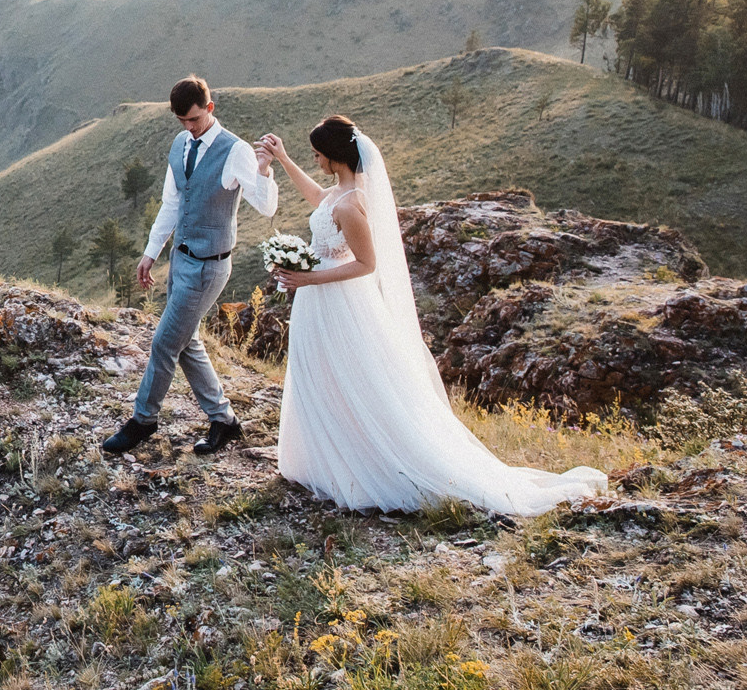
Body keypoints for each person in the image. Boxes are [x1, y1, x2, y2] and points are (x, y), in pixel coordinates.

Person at [258, 116, 607, 514]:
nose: (316, 160)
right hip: (318, 300)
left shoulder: (353, 204)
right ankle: (324, 459)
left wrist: (309, 278)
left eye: (318, 155)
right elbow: (318, 196)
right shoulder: (338, 191)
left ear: (335, 157)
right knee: (321, 376)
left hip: (336, 299)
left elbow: (366, 264)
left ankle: (362, 463)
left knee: (350, 377)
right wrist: (283, 160)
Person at [101, 75, 278, 458]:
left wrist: (264, 169)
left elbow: (266, 207)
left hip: (209, 266)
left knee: (165, 341)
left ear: (210, 109)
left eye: (194, 120)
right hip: (180, 261)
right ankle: (224, 421)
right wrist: (151, 252)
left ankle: (143, 421)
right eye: (182, 121)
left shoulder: (235, 151)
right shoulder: (181, 144)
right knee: (186, 342)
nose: (188, 128)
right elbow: (172, 203)